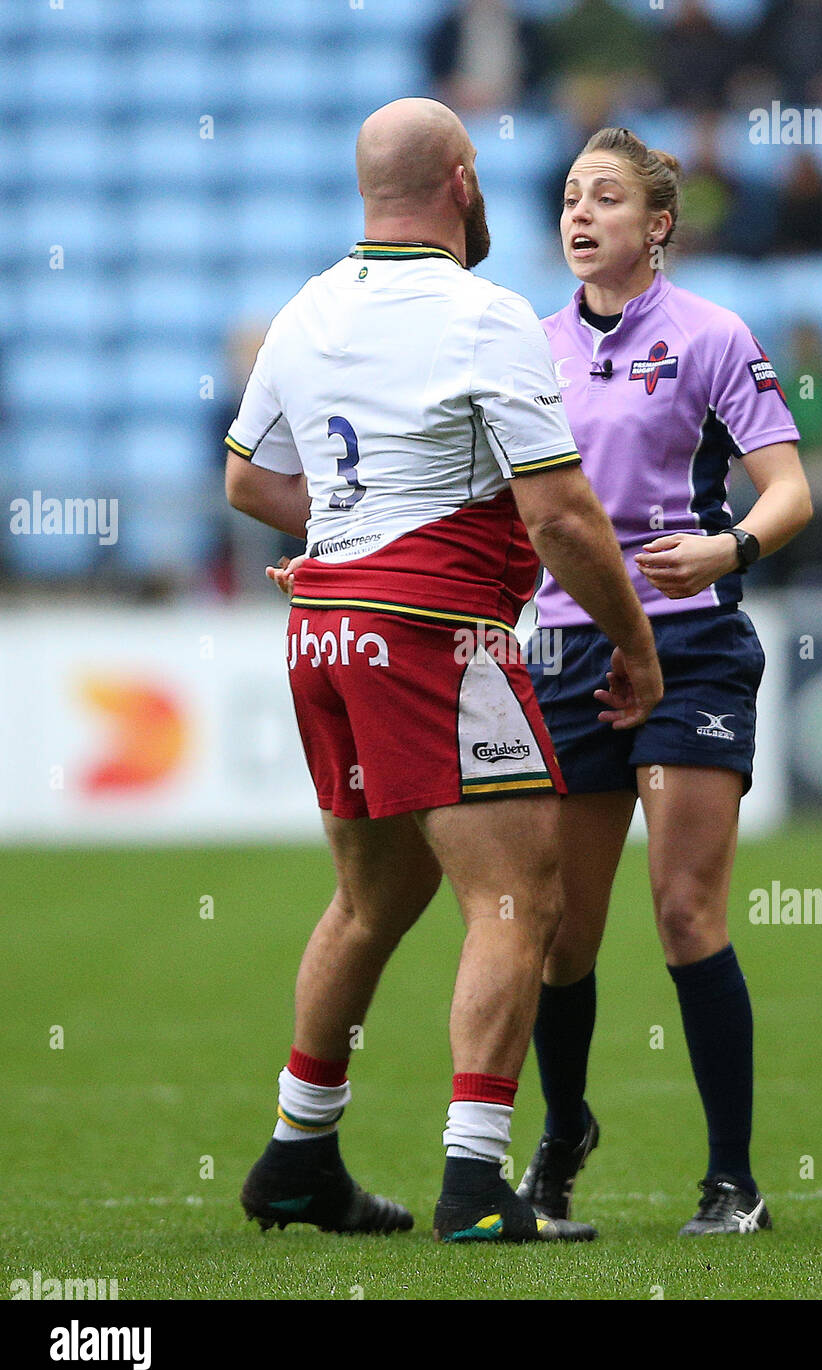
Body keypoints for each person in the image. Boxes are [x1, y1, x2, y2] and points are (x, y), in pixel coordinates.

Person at [223, 99, 662, 1245]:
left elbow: (247, 482)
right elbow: (560, 514)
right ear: (462, 183)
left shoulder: (304, 310)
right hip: (432, 634)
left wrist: (347, 542)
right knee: (519, 898)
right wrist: (632, 638)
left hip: (324, 633)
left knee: (376, 898)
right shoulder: (485, 314)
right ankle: (475, 1186)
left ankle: (294, 1156)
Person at [516, 127, 812, 1234]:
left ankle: (731, 1178)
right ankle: (561, 1136)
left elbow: (787, 490)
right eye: (568, 195)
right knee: (557, 932)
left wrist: (726, 547)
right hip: (562, 648)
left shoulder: (711, 335)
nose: (579, 213)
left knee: (684, 911)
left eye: (605, 197)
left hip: (687, 642)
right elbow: (493, 511)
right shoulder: (524, 347)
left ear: (657, 227)